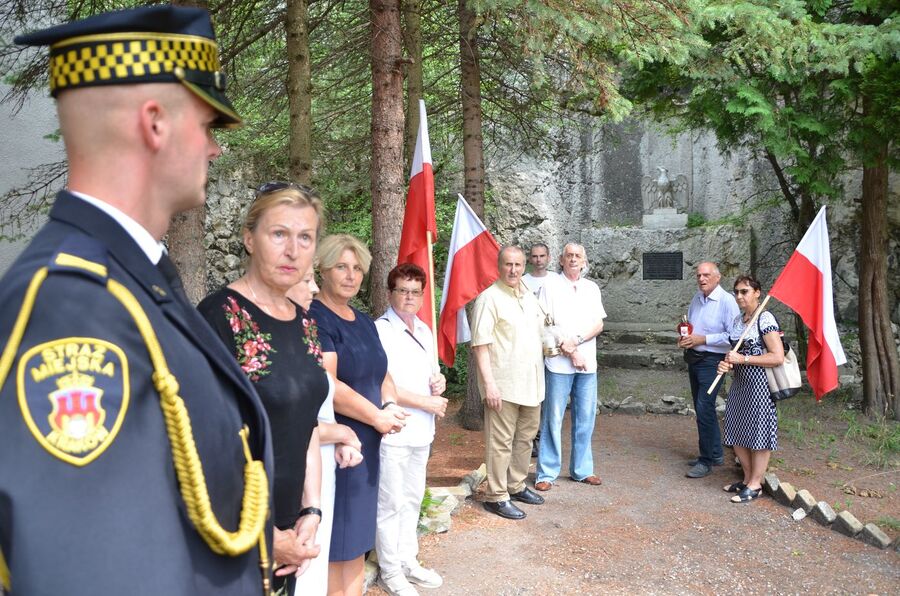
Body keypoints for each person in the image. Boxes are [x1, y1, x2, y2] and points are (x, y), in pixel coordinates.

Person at [0, 6, 272, 595]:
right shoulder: (74, 307)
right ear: (155, 124)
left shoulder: (135, 280)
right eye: (207, 125)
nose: (215, 150)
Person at [198, 182, 331, 593]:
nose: (293, 250)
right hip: (232, 533)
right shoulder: (218, 317)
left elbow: (306, 424)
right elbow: (198, 444)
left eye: (305, 237)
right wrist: (263, 537)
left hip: (289, 527)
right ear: (249, 239)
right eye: (279, 234)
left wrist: (311, 509)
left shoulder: (305, 323)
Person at [309, 234, 407, 596]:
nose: (351, 275)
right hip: (338, 445)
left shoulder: (363, 321)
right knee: (340, 545)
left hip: (368, 444)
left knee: (357, 544)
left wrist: (391, 405)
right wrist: (375, 417)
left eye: (356, 268)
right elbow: (328, 384)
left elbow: (382, 374)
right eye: (341, 267)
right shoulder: (315, 318)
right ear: (322, 269)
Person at [288, 267, 364, 596]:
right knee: (300, 572)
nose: (315, 288)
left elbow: (319, 407)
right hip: (294, 473)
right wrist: (342, 433)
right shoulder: (269, 347)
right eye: (306, 280)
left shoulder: (304, 335)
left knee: (314, 570)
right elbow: (287, 423)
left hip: (321, 470)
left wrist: (337, 439)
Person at [374, 263, 447, 596]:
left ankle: (408, 560)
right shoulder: (380, 330)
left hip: (422, 431)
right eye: (402, 290)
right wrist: (426, 403)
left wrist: (439, 383)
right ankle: (390, 570)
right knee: (390, 502)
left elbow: (430, 377)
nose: (409, 297)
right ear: (391, 293)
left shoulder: (425, 330)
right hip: (395, 429)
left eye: (415, 292)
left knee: (413, 498)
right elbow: (381, 384)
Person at [470, 245, 546, 520]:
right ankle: (496, 495)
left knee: (525, 439)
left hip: (532, 384)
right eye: (508, 265)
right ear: (498, 266)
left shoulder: (528, 296)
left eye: (518, 265)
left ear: (524, 266)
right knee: (500, 442)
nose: (513, 270)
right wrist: (489, 384)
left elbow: (541, 333)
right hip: (503, 384)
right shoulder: (489, 299)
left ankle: (515, 485)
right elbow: (480, 345)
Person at [535, 243, 606, 491]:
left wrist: (576, 343)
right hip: (558, 363)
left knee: (585, 418)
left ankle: (581, 470)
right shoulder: (550, 286)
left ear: (584, 261)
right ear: (561, 261)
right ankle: (546, 472)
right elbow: (545, 322)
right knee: (552, 417)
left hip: (587, 364)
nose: (573, 259)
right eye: (569, 256)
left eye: (578, 256)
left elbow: (598, 324)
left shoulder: (591, 288)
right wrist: (570, 350)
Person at [716, 275, 784, 503]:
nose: (739, 296)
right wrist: (727, 362)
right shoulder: (738, 321)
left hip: (760, 385)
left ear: (757, 292)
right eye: (736, 292)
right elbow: (734, 354)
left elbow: (777, 357)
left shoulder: (765, 319)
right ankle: (746, 479)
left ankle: (756, 484)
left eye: (744, 291)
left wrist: (743, 359)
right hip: (740, 383)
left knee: (758, 432)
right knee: (736, 429)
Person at [678, 261, 740, 479]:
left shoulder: (727, 301)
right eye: (698, 276)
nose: (702, 279)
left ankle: (705, 461)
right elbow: (693, 328)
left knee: (704, 407)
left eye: (706, 275)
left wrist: (703, 339)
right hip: (695, 358)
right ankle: (714, 453)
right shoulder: (697, 298)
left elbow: (734, 336)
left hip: (713, 361)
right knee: (702, 406)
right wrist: (687, 340)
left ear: (717, 277)